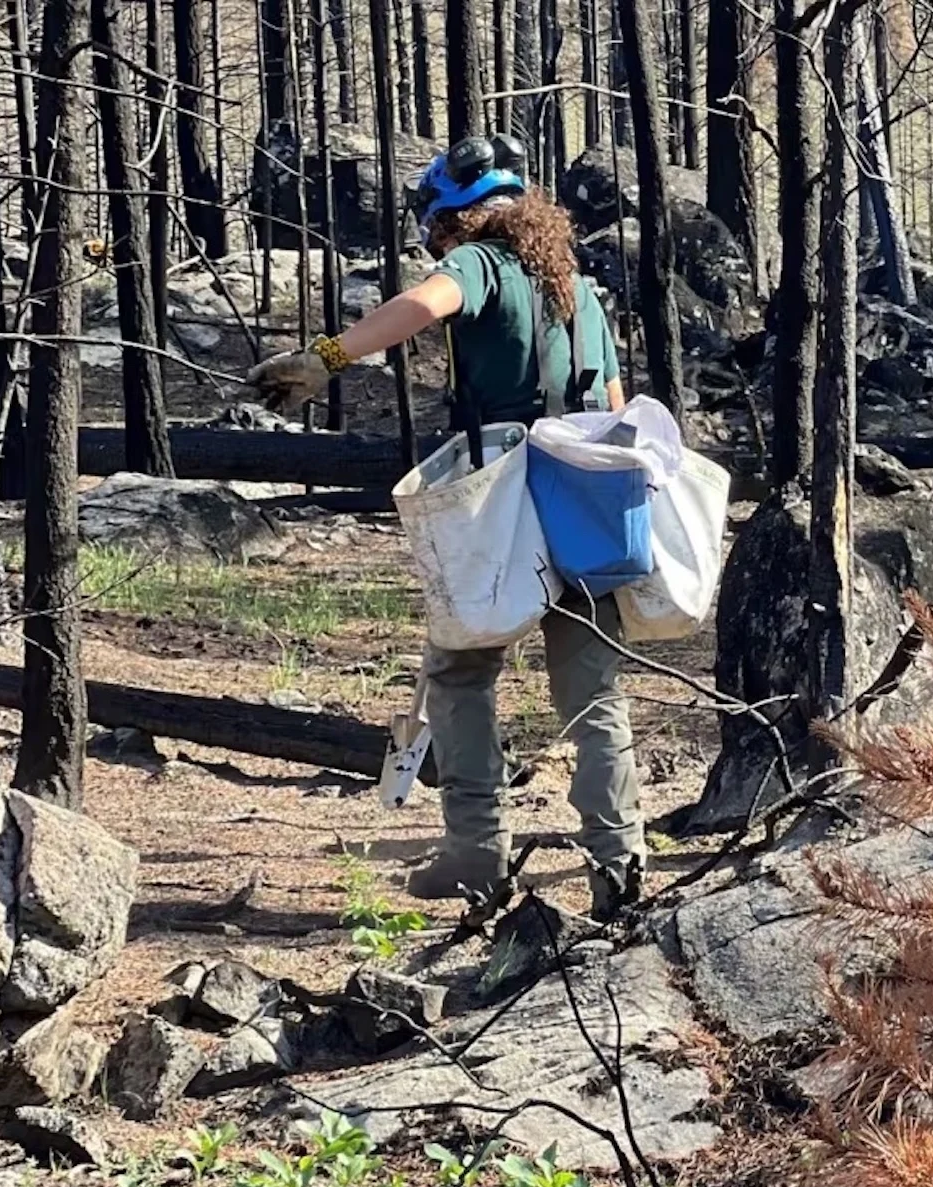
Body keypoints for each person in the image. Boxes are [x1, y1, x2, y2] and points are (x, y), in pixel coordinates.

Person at [248, 133, 646, 922]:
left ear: (450, 216)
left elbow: (424, 305)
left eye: (433, 223)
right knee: (593, 693)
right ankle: (620, 864)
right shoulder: (581, 288)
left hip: (500, 499)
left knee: (462, 670)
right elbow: (615, 407)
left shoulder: (478, 262)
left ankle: (476, 854)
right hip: (588, 497)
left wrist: (325, 356)